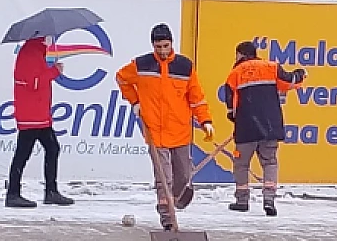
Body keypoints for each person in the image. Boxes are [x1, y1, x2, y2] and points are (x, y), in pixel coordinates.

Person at [116, 23, 214, 230]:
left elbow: (197, 98)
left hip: (180, 130)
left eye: (165, 46)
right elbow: (121, 78)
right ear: (153, 45)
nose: (162, 51)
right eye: (158, 46)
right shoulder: (141, 65)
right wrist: (135, 102)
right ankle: (167, 218)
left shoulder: (185, 66)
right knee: (164, 177)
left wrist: (205, 121)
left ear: (172, 43)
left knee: (183, 176)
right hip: (154, 130)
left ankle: (175, 199)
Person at [221, 41, 306, 216]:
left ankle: (242, 200)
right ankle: (269, 200)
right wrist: (301, 74)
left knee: (241, 163)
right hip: (269, 125)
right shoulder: (271, 67)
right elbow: (289, 82)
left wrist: (232, 115)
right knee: (270, 162)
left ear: (240, 54)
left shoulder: (235, 73)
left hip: (246, 127)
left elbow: (230, 98)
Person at [5, 36, 74, 208]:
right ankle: (13, 193)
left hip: (39, 114)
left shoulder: (35, 52)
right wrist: (55, 71)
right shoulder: (30, 53)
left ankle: (51, 191)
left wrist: (51, 69)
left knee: (52, 148)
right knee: (23, 153)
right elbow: (34, 82)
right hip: (31, 115)